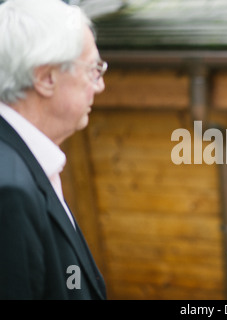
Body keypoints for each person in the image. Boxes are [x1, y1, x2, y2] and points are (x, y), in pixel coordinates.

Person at [0, 0, 107, 299]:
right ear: (46, 78)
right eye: (93, 69)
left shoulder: (26, 158)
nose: (99, 86)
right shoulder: (9, 191)